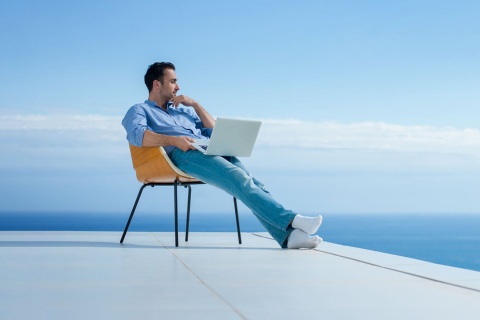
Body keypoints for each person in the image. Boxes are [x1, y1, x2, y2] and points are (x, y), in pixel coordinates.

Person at [122, 62, 323, 249]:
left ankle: (287, 238)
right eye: (173, 81)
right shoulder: (140, 110)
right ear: (157, 84)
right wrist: (174, 140)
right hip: (182, 155)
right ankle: (291, 220)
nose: (178, 87)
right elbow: (137, 135)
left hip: (208, 149)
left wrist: (196, 105)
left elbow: (215, 131)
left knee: (251, 182)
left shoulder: (182, 112)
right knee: (238, 179)